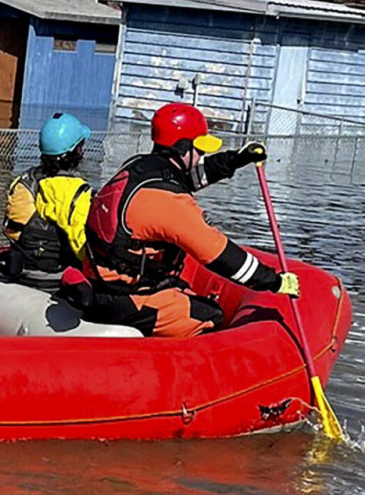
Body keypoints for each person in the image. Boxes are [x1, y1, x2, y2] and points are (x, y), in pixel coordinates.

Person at [78, 102, 299, 338]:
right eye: (200, 149)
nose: (203, 155)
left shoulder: (138, 167)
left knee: (184, 291)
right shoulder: (169, 202)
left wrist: (236, 159)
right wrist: (273, 280)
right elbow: (219, 254)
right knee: (211, 315)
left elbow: (192, 176)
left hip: (101, 282)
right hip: (123, 298)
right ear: (182, 148)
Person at [0, 112, 92, 290]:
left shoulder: (23, 182)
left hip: (21, 271)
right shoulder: (77, 191)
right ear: (77, 151)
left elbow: (11, 230)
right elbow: (81, 247)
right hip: (56, 277)